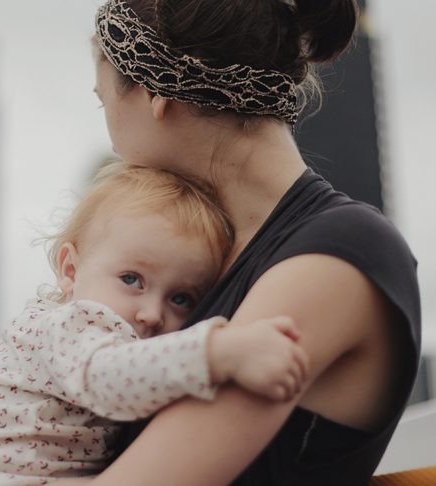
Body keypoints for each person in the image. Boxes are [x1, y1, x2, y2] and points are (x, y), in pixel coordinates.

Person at [63, 0, 420, 485]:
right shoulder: (199, 258)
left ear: (154, 96)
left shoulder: (341, 250)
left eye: (103, 102)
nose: (112, 140)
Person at [0, 162, 310, 485]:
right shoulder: (70, 326)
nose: (152, 314)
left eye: (181, 299)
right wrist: (218, 352)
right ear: (71, 269)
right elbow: (107, 377)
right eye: (131, 280)